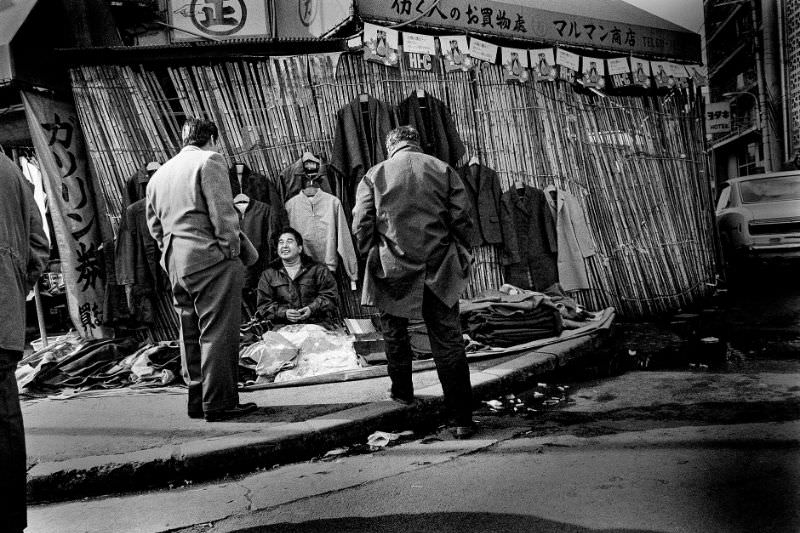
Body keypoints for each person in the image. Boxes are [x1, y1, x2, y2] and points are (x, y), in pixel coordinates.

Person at [352, 126, 477, 438]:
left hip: (391, 267)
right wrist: (460, 250)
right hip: (439, 267)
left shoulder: (374, 175)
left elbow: (361, 225)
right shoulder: (442, 169)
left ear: (390, 146)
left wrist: (374, 250)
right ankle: (461, 418)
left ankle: (403, 394)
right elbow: (462, 219)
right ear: (416, 143)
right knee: (448, 340)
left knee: (395, 335)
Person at [146, 118, 257, 422]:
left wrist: (172, 252)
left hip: (175, 263)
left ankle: (197, 400)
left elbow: (154, 226)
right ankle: (220, 403)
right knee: (219, 332)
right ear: (212, 138)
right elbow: (223, 214)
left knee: (190, 333)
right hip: (210, 259)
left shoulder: (160, 174)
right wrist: (230, 251)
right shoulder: (210, 160)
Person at [0, 152, 49, 533]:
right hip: (5, 316)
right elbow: (38, 245)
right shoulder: (11, 170)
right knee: (4, 419)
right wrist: (14, 289)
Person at [255, 228, 338, 328]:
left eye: (289, 241)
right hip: (283, 328)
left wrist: (311, 309)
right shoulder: (268, 275)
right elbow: (264, 305)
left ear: (300, 248)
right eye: (281, 243)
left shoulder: (318, 270)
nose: (284, 246)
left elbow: (331, 297)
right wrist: (284, 313)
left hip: (317, 326)